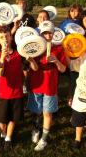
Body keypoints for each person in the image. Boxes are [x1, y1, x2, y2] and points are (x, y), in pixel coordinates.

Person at [27, 21, 67, 151]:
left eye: (49, 32)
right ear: (40, 34)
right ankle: (36, 129)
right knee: (36, 110)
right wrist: (31, 59)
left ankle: (44, 139)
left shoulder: (59, 48)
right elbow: (34, 68)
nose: (47, 35)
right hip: (36, 84)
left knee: (47, 113)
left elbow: (62, 69)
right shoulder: (36, 47)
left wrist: (56, 61)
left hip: (50, 86)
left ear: (54, 33)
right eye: (44, 33)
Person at [0, 26, 24, 150]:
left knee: (13, 118)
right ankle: (3, 134)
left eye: (7, 36)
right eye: (1, 37)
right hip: (3, 93)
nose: (5, 39)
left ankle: (8, 138)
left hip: (17, 92)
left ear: (11, 37)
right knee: (2, 119)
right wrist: (2, 56)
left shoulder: (19, 53)